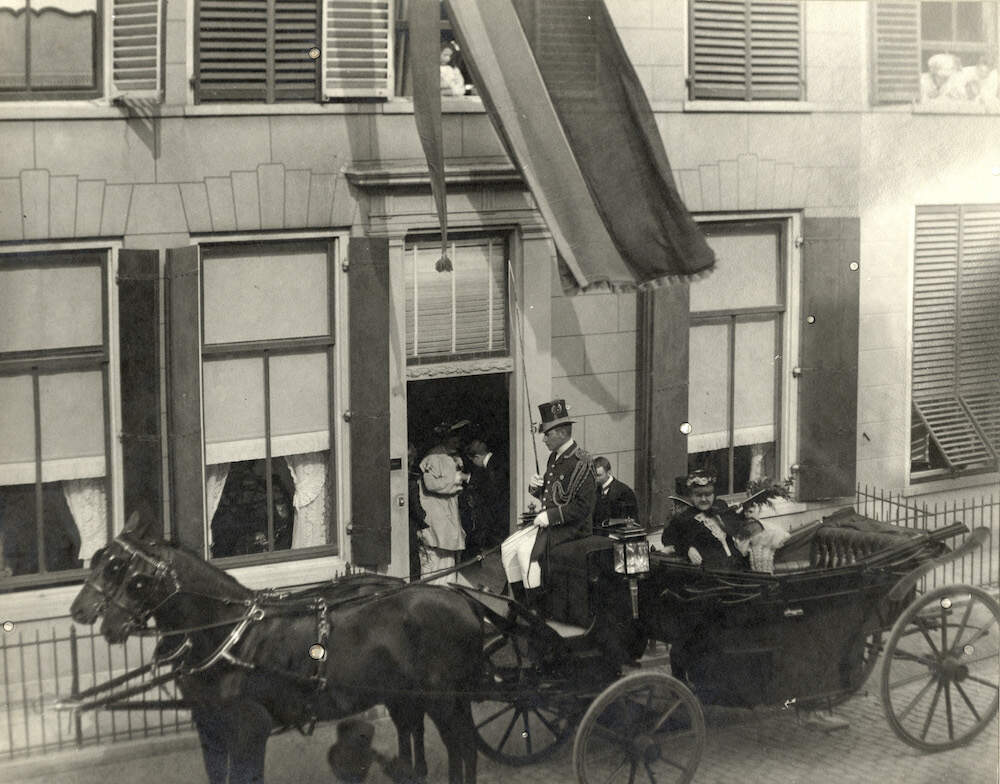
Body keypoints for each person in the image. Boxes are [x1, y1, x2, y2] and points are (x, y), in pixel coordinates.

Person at [500, 399, 596, 611]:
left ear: (561, 433)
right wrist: (535, 487)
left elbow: (583, 507)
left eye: (547, 434)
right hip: (552, 524)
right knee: (507, 548)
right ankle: (521, 603)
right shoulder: (555, 457)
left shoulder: (582, 462)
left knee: (526, 553)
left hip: (573, 528)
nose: (543, 439)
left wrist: (550, 517)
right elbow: (552, 495)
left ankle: (537, 609)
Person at [660, 469, 746, 570]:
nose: (704, 499)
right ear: (691, 496)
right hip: (712, 574)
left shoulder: (721, 510)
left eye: (708, 494)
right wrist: (687, 549)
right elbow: (668, 538)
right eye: (699, 495)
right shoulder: (684, 518)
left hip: (737, 569)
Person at [418, 425, 471, 583]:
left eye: (459, 438)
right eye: (454, 437)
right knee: (436, 569)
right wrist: (456, 480)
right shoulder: (433, 457)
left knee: (447, 566)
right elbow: (431, 484)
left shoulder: (452, 457)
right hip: (437, 521)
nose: (458, 441)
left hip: (447, 521)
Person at [463, 438, 509, 555]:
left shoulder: (494, 465)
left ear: (477, 457)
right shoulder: (496, 461)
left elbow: (493, 490)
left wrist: (468, 478)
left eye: (472, 461)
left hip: (500, 516)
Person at [593, 456, 638, 527]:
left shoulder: (625, 492)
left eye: (599, 475)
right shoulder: (594, 489)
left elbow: (631, 521)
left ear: (609, 472)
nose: (596, 479)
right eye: (594, 475)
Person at [407, 442, 428, 580]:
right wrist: (423, 518)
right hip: (409, 526)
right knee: (413, 560)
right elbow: (415, 507)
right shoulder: (411, 482)